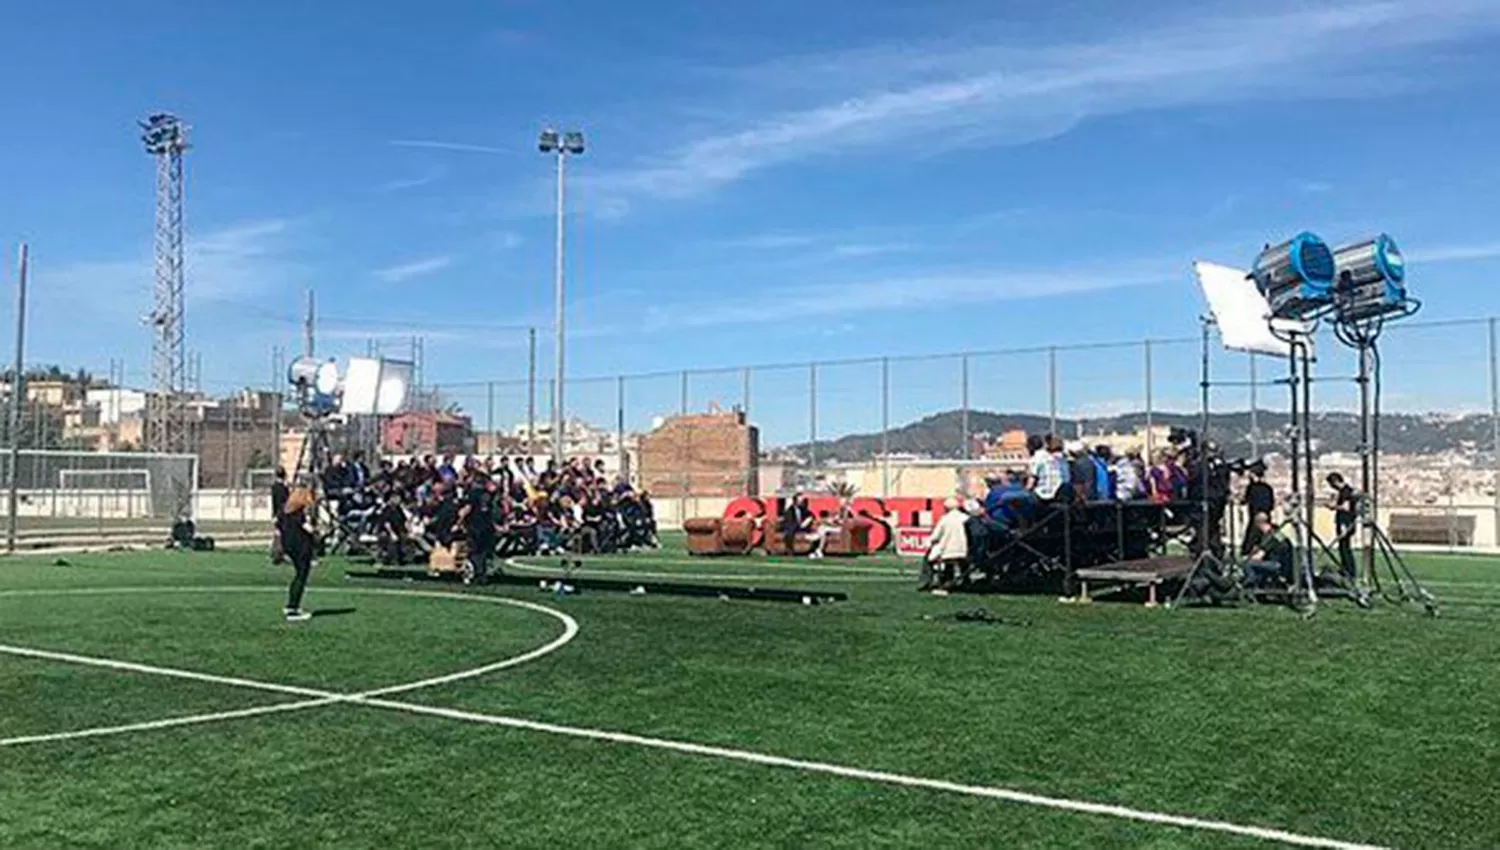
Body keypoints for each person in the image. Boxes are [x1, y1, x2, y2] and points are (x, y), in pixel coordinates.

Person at [280, 487, 318, 622]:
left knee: (298, 575)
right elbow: (308, 528)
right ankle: (292, 608)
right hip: (300, 547)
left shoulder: (284, 512)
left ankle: (292, 606)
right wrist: (317, 531)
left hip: (289, 546)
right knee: (301, 576)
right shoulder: (298, 514)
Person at [922, 497, 969, 592]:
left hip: (947, 550)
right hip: (964, 550)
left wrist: (928, 543)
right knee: (961, 563)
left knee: (929, 559)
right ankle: (965, 580)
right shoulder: (965, 518)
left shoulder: (945, 519)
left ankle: (929, 582)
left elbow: (935, 535)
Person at [1243, 513, 1293, 589]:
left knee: (1248, 564)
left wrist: (1249, 557)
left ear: (1258, 524)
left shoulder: (1269, 538)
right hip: (1286, 565)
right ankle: (1258, 585)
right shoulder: (1278, 534)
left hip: (1277, 565)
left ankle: (1250, 585)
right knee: (1258, 565)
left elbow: (1259, 556)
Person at [1327, 473, 1359, 582]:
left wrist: (1333, 507)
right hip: (1346, 522)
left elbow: (1346, 507)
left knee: (1345, 548)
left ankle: (1349, 571)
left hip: (1345, 522)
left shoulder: (1346, 492)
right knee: (1343, 547)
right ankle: (1346, 569)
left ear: (1335, 481)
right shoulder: (1345, 491)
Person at [1240, 462, 1275, 555]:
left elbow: (1244, 500)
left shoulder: (1252, 488)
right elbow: (1271, 505)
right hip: (1266, 517)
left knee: (1251, 540)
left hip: (1255, 517)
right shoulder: (1268, 488)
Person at [269, 466, 289, 565]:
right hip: (282, 513)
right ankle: (278, 553)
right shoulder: (283, 488)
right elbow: (284, 502)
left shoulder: (274, 487)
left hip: (278, 513)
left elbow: (274, 502)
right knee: (281, 533)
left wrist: (274, 514)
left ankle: (276, 552)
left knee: (278, 533)